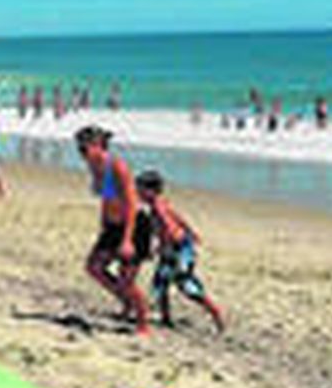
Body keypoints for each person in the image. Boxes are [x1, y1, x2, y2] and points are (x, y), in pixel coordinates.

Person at [75, 126, 151, 333]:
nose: (81, 153)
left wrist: (127, 240)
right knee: (94, 267)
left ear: (98, 145)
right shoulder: (94, 165)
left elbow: (132, 204)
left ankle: (143, 322)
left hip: (134, 226)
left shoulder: (117, 167)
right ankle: (127, 302)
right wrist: (103, 224)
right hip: (113, 226)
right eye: (79, 149)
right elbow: (107, 199)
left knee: (127, 280)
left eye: (84, 149)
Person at [135, 171, 227, 333]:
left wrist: (167, 246)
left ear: (151, 190)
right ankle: (166, 318)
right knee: (160, 283)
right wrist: (189, 231)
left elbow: (169, 227)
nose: (137, 192)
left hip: (178, 249)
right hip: (175, 247)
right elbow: (178, 218)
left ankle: (215, 312)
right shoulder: (160, 204)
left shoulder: (157, 207)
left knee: (186, 285)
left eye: (140, 189)